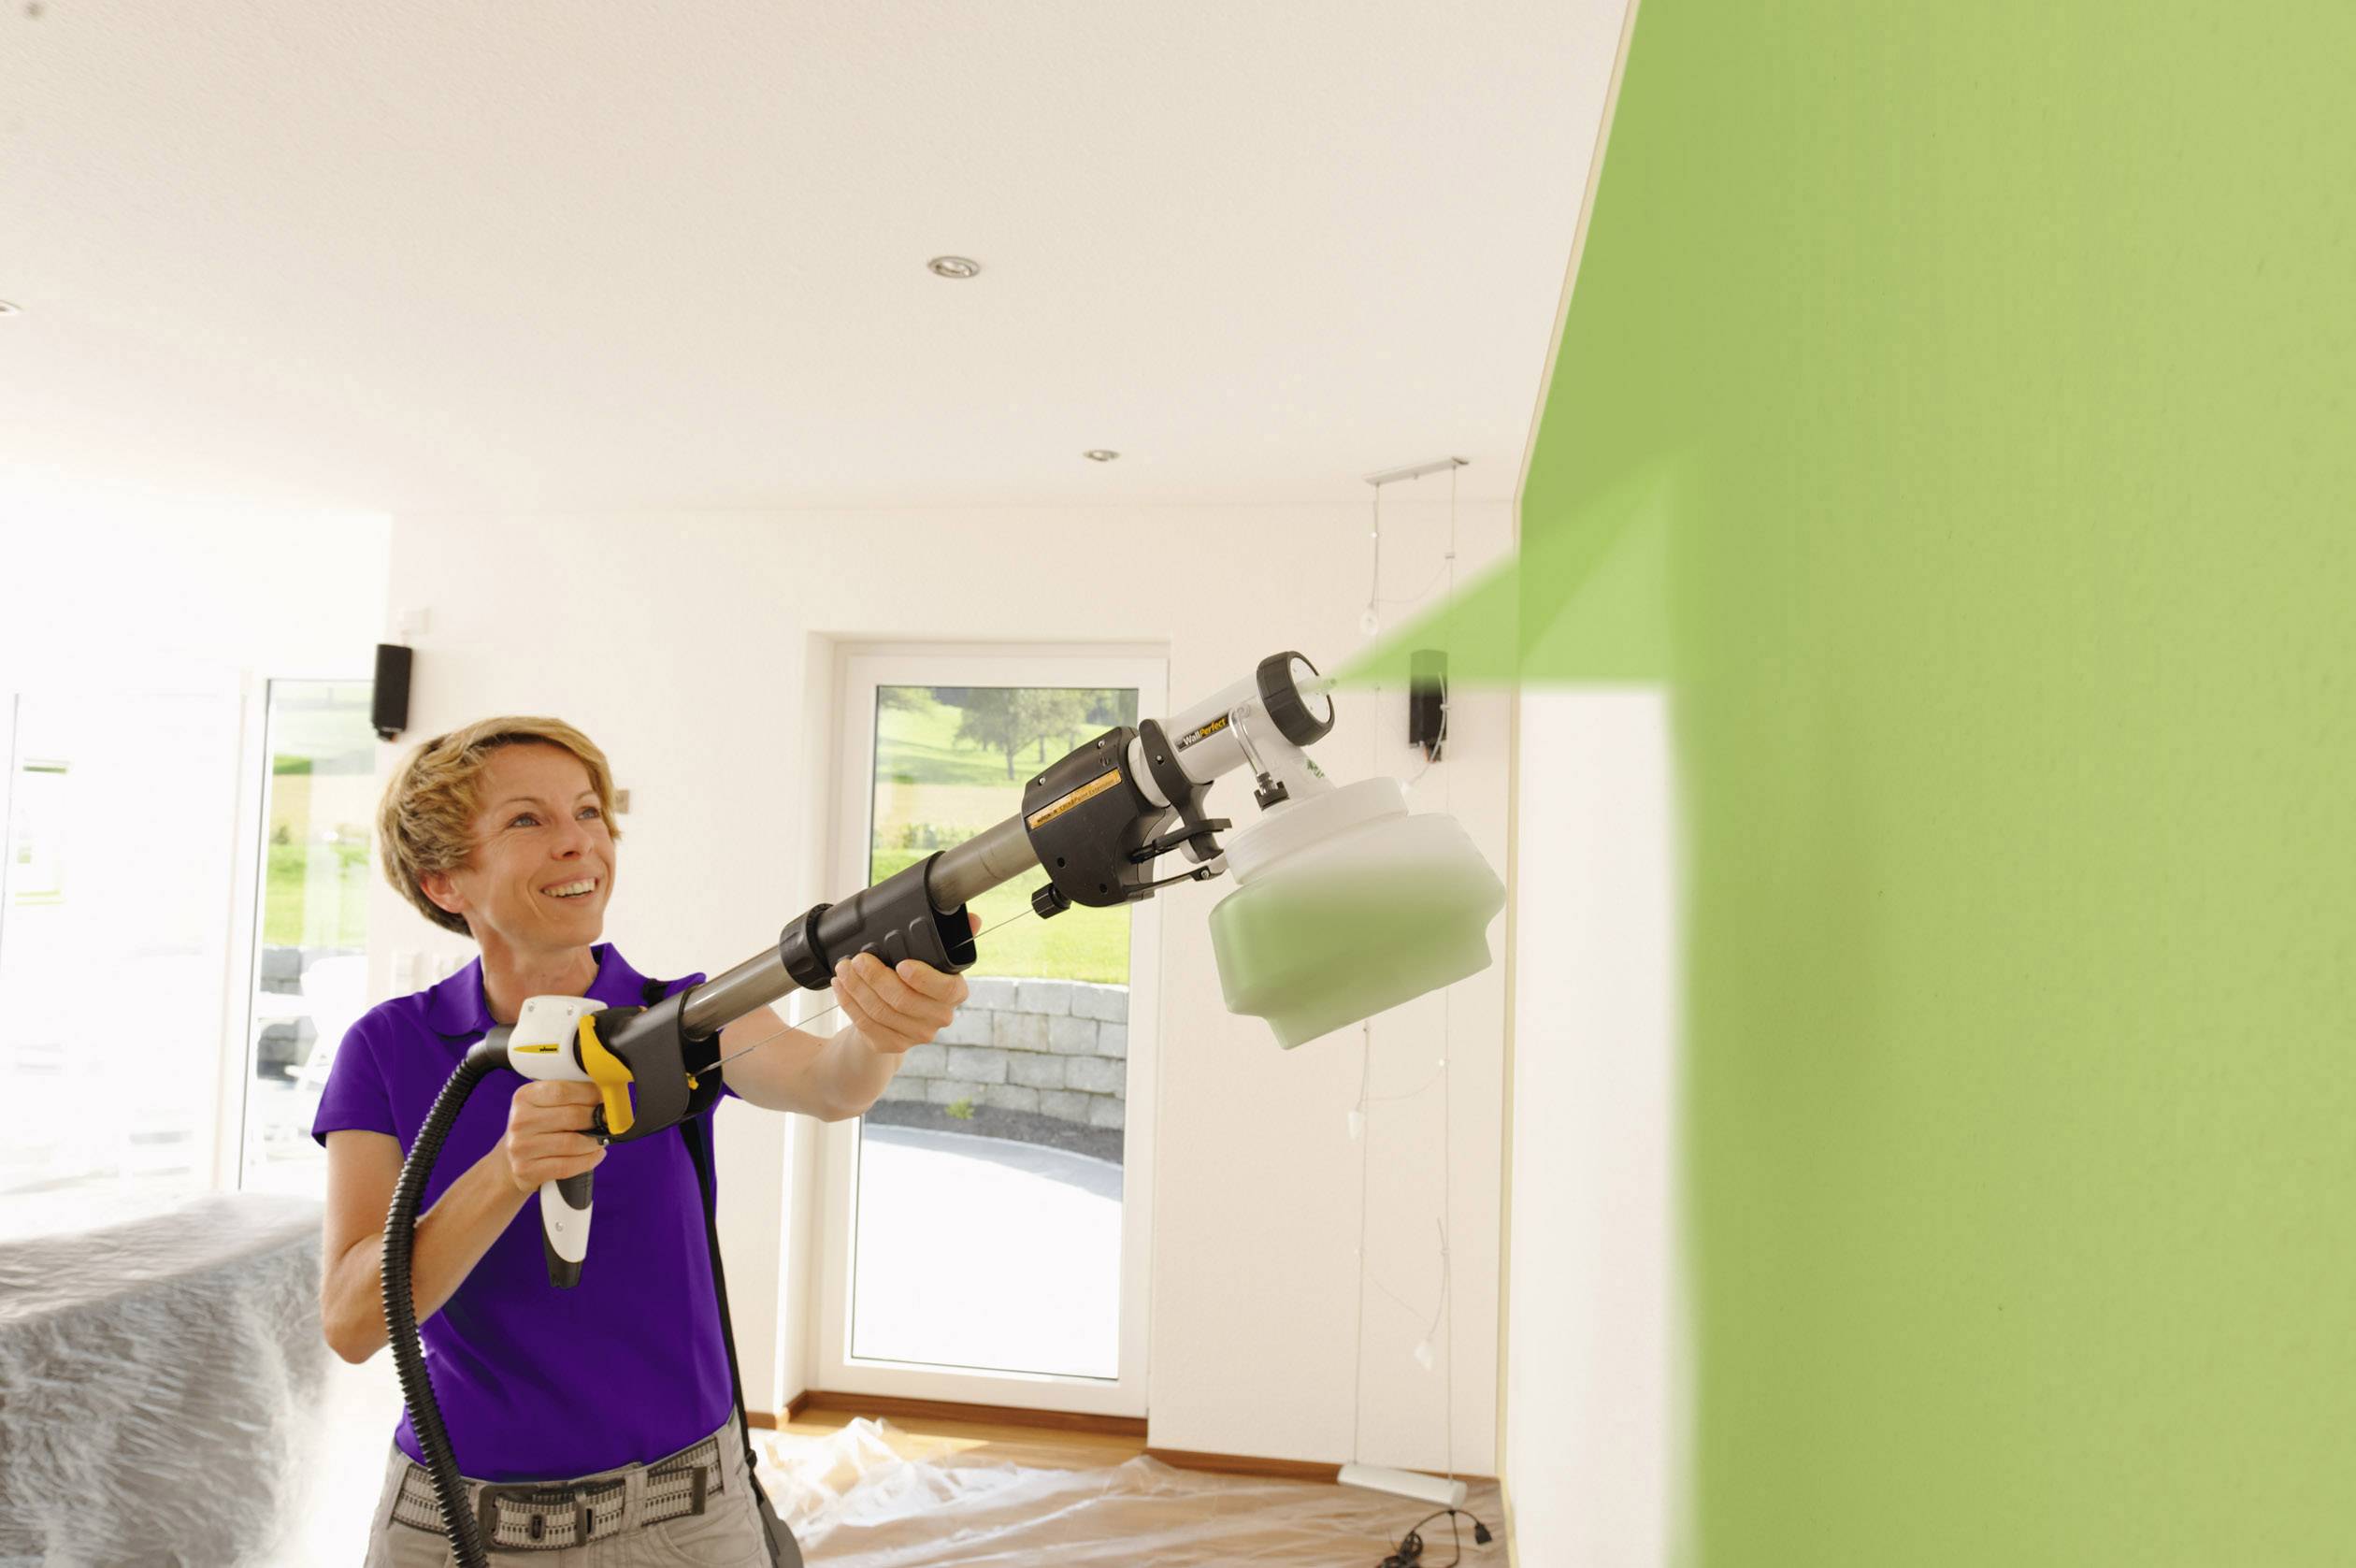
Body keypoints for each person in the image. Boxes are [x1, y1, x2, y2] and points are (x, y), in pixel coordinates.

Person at [314, 716, 970, 1565]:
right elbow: (352, 1321)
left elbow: (830, 1081)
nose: (577, 843)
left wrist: (882, 1029)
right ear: (446, 881)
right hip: (456, 1521)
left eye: (589, 812)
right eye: (528, 820)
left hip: (686, 1521)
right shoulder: (390, 1048)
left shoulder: (681, 1016)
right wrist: (505, 1173)